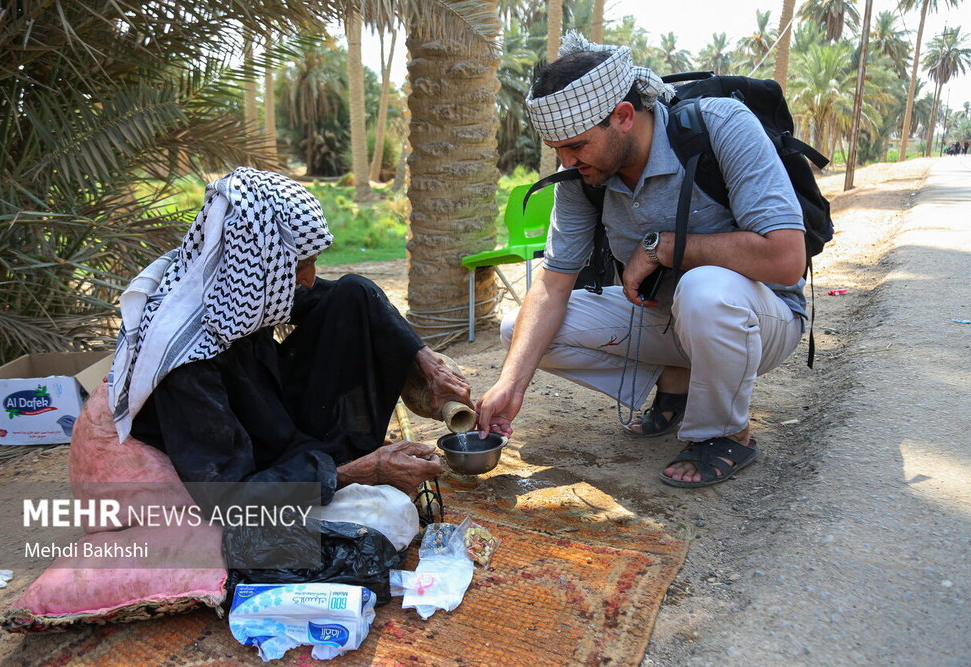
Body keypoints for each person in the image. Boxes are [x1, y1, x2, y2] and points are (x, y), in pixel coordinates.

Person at [476, 32, 807, 488]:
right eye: (558, 150)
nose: (567, 161)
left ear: (624, 116)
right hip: (668, 320)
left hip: (758, 319)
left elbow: (787, 258)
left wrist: (665, 247)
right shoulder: (582, 176)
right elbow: (552, 286)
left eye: (576, 145)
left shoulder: (720, 125)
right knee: (520, 332)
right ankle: (678, 378)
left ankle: (726, 433)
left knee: (704, 290)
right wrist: (509, 386)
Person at [109, 167, 470, 506]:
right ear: (259, 263)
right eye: (299, 266)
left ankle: (343, 453)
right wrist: (362, 472)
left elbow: (349, 299)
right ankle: (346, 461)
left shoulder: (241, 281)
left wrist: (426, 361)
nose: (309, 278)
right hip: (244, 458)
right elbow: (228, 497)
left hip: (270, 412)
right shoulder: (187, 363)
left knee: (353, 295)